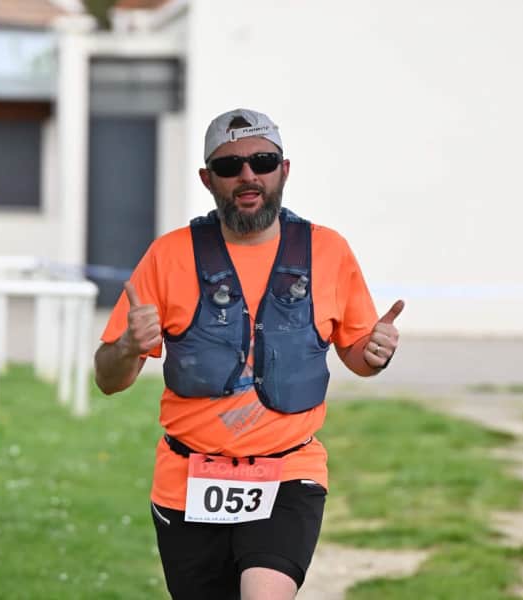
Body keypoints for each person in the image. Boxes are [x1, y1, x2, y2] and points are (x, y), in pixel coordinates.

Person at [94, 108, 404, 600]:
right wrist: (129, 346)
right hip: (186, 479)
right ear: (207, 179)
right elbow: (109, 379)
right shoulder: (169, 255)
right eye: (229, 165)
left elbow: (358, 356)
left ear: (284, 170)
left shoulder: (328, 251)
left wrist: (377, 352)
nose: (247, 175)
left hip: (289, 472)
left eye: (262, 161)